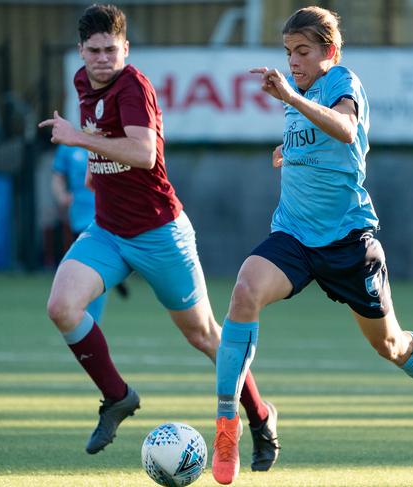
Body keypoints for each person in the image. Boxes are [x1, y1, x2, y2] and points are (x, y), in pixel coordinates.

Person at [210, 6, 413, 485]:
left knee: (390, 345)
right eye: (289, 52)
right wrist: (286, 151)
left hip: (349, 241)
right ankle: (228, 421)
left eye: (303, 51)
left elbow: (345, 128)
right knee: (244, 291)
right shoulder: (301, 94)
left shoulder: (340, 81)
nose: (294, 61)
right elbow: (313, 143)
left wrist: (290, 96)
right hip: (293, 236)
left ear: (329, 51)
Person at [38, 4, 280, 470]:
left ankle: (260, 416)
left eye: (112, 49)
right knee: (61, 306)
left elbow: (145, 153)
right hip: (109, 230)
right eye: (95, 50)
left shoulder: (134, 85)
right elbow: (106, 140)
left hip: (159, 232)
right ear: (81, 52)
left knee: (207, 336)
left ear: (126, 49)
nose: (104, 58)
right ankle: (117, 397)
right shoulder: (83, 82)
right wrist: (96, 171)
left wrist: (79, 141)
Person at [52, 144, 129, 324]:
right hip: (79, 213)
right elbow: (57, 176)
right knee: (91, 264)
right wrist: (61, 196)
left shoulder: (109, 137)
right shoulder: (68, 144)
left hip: (106, 211)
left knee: (93, 265)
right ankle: (115, 273)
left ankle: (92, 320)